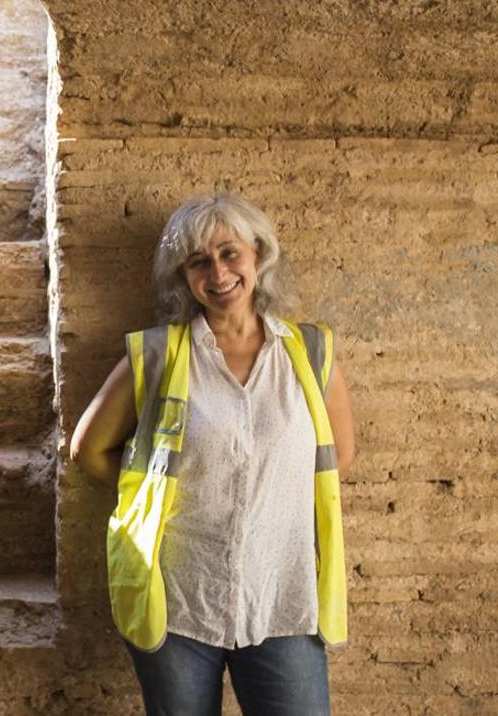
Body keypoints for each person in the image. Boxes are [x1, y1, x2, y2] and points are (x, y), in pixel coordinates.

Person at [70, 192, 354, 716]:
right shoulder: (157, 354)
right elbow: (88, 450)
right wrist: (157, 492)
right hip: (181, 598)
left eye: (229, 253)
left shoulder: (311, 353)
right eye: (199, 262)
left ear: (258, 254)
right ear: (184, 277)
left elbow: (337, 456)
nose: (218, 272)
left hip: (282, 598)